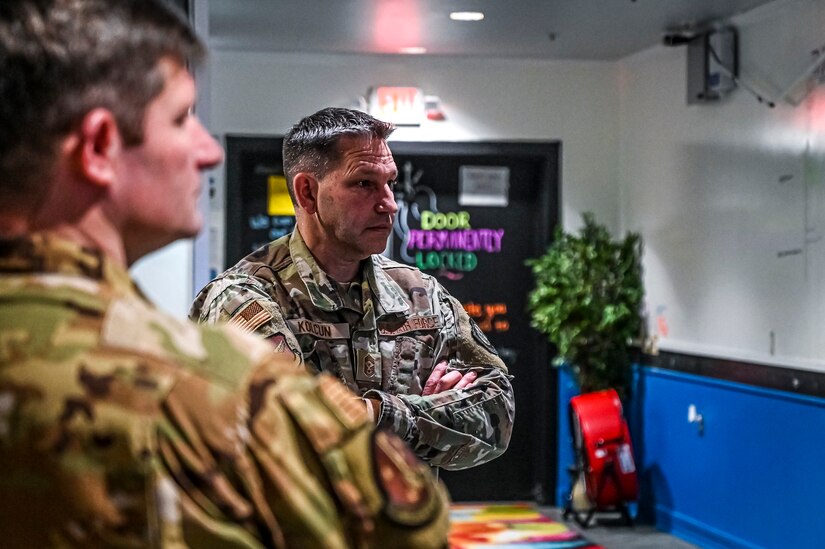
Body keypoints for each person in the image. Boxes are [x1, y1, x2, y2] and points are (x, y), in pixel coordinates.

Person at [0, 1, 449, 547]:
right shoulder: (217, 387)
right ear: (98, 148)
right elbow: (412, 526)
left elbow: (495, 400)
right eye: (181, 118)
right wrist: (392, 412)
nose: (209, 151)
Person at [191, 107, 515, 471]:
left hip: (407, 526)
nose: (389, 203)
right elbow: (287, 432)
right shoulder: (244, 297)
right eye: (364, 184)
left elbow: (497, 414)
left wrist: (377, 414)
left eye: (389, 183)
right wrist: (426, 418)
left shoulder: (420, 293)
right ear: (308, 192)